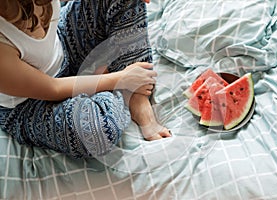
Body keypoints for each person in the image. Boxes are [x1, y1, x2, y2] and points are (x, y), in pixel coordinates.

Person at [0, 0, 171, 159]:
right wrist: (119, 79)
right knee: (96, 132)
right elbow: (53, 88)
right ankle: (115, 86)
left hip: (62, 46)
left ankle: (137, 99)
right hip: (30, 104)